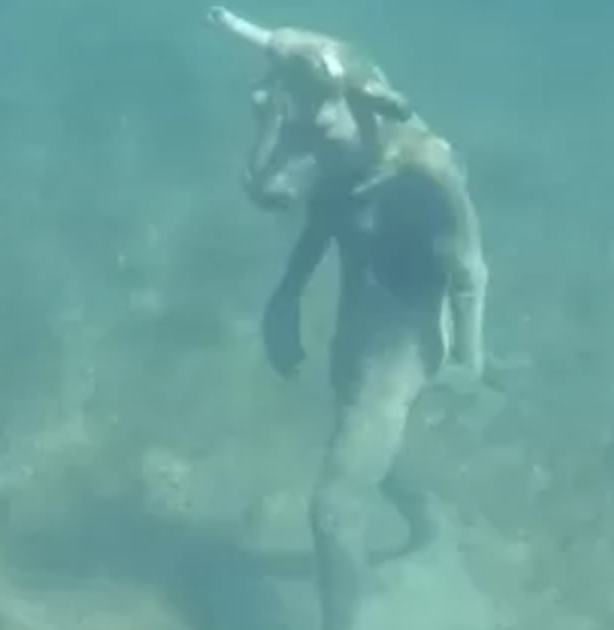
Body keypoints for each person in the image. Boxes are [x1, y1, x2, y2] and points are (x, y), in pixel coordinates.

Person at [208, 7, 492, 630]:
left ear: (369, 105)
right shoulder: (335, 162)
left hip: (409, 337)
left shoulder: (425, 164)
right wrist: (284, 300)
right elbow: (322, 224)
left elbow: (468, 266)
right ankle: (428, 530)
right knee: (363, 445)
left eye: (321, 124)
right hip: (359, 325)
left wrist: (470, 359)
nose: (309, 142)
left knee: (334, 506)